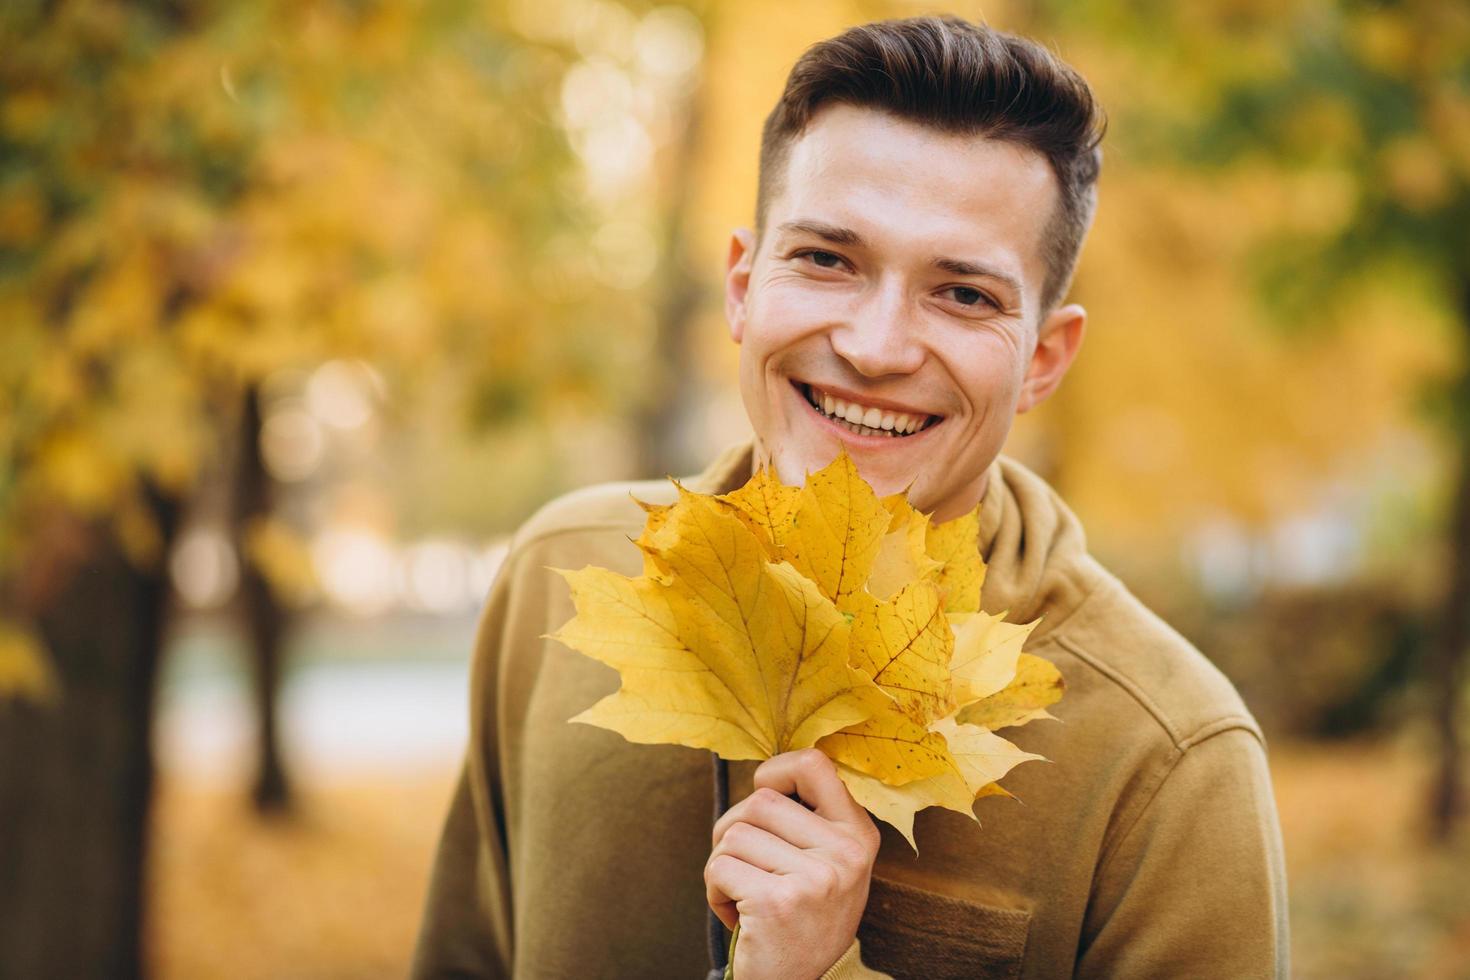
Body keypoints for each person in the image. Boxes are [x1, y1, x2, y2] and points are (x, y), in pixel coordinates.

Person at [411, 15, 1289, 980]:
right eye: (827, 259)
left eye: (963, 295)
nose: (875, 348)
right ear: (743, 286)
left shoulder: (1166, 758)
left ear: (1043, 359)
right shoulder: (563, 578)